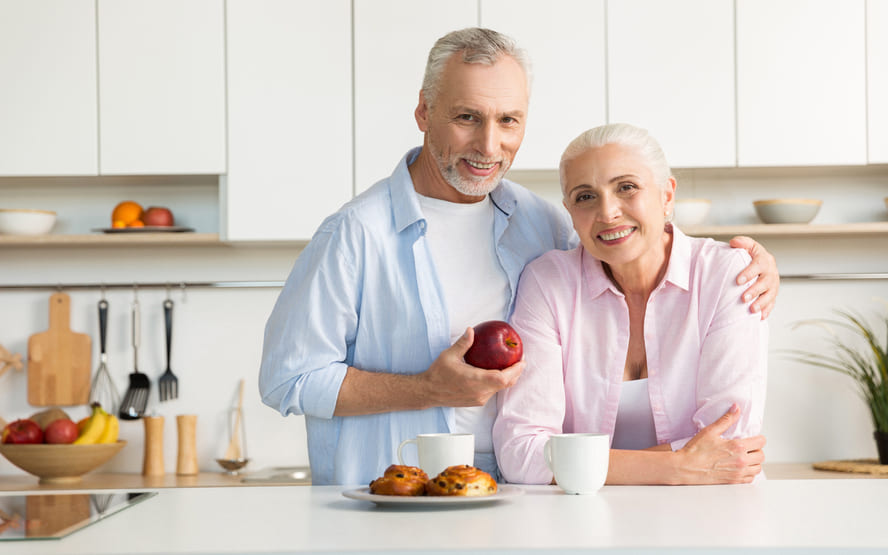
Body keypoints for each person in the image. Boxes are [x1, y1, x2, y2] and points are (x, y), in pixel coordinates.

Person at [259, 28, 778, 486]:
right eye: (467, 117)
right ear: (423, 111)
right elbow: (289, 379)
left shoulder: (543, 224)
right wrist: (428, 390)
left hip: (513, 501)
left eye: (508, 120)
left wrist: (749, 265)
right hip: (390, 499)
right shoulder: (354, 234)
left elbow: (626, 249)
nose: (489, 144)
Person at [492, 123, 768, 485]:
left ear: (667, 196)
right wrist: (677, 466)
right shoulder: (548, 284)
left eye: (626, 187)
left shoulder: (726, 274)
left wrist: (574, 466)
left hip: (711, 514)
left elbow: (731, 446)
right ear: (570, 212)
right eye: (585, 196)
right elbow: (520, 454)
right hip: (583, 524)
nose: (607, 212)